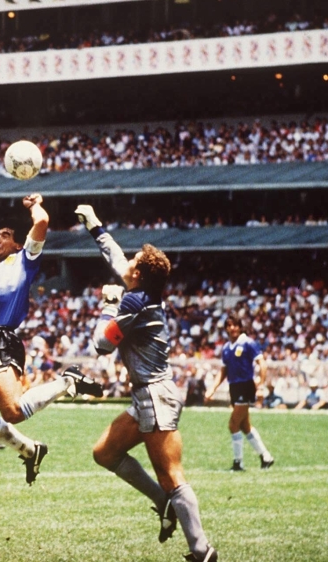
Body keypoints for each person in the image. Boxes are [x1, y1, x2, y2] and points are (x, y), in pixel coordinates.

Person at [75, 204, 218, 562]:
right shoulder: (142, 294)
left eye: (133, 263)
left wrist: (109, 304)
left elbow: (101, 344)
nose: (128, 265)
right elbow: (118, 258)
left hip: (155, 396)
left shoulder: (135, 303)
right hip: (149, 396)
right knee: (104, 452)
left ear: (137, 275)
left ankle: (202, 550)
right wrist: (95, 226)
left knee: (171, 475)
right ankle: (163, 505)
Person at [0, 193, 103, 485]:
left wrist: (34, 206)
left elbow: (42, 221)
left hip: (3, 340)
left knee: (14, 411)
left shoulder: (25, 259)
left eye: (5, 236)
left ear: (17, 243)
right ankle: (31, 450)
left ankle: (66, 382)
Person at [205, 316, 275, 471]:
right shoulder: (226, 348)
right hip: (234, 387)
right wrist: (212, 388)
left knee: (233, 424)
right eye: (229, 326)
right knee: (245, 425)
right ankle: (266, 457)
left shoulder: (248, 343)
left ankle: (238, 462)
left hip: (245, 386)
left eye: (235, 325)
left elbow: (262, 364)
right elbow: (223, 371)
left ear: (240, 327)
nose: (232, 328)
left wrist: (261, 386)